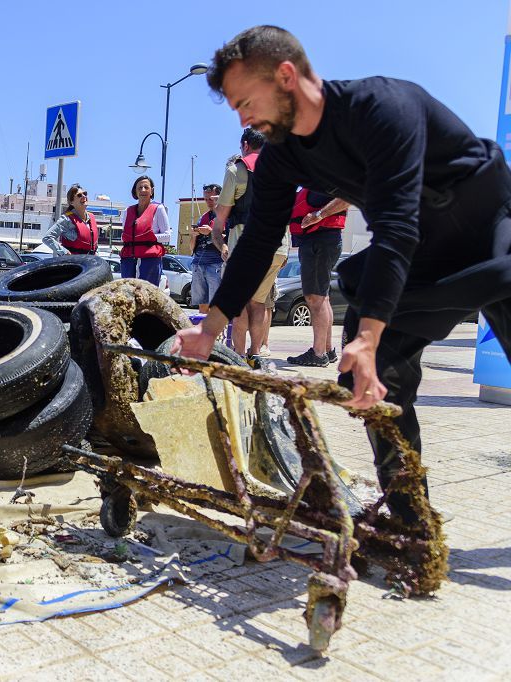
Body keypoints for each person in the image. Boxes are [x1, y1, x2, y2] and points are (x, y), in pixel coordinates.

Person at [171, 25, 511, 524]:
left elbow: (396, 224)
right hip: (427, 252)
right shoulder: (281, 156)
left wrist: (370, 333)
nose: (244, 118)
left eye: (246, 101)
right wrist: (210, 329)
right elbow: (259, 243)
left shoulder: (383, 106)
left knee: (367, 341)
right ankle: (412, 522)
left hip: (492, 230)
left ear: (286, 76)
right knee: (370, 372)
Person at [211, 127, 286, 358]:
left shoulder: (237, 170)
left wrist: (219, 241)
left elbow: (221, 216)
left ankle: (240, 356)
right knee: (259, 302)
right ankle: (256, 354)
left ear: (245, 145)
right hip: (278, 246)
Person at [286, 188, 350, 366]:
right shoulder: (317, 179)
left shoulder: (327, 176)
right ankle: (326, 350)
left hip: (320, 240)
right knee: (322, 297)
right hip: (319, 240)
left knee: (315, 298)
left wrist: (319, 215)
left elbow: (347, 196)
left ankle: (318, 353)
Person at [120, 175, 172, 285]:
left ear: (152, 191)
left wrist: (151, 236)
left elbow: (167, 236)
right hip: (128, 258)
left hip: (150, 260)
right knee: (127, 294)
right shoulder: (127, 211)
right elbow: (124, 235)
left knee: (147, 295)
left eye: (146, 187)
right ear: (135, 191)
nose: (143, 190)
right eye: (140, 188)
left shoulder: (159, 209)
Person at [190, 183, 223, 314]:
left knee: (216, 305)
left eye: (212, 198)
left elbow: (229, 239)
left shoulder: (225, 216)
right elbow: (191, 248)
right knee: (202, 305)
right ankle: (203, 333)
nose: (209, 202)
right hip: (198, 263)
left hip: (216, 263)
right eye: (206, 199)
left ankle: (217, 334)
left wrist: (210, 232)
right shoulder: (202, 218)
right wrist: (193, 236)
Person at [42, 184, 100, 255]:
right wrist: (64, 252)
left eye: (85, 194)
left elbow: (94, 243)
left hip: (89, 263)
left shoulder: (91, 218)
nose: (84, 196)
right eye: (79, 195)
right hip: (73, 263)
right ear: (72, 202)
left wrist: (96, 253)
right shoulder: (66, 219)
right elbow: (47, 238)